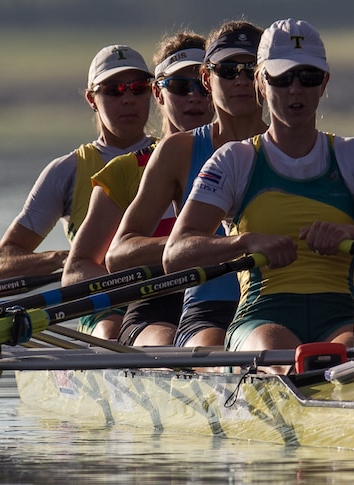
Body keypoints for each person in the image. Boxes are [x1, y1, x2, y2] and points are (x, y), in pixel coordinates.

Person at [162, 19, 354, 356]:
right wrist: (246, 242)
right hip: (262, 316)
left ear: (324, 82)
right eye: (282, 78)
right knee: (284, 356)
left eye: (308, 77)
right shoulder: (234, 160)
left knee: (353, 355)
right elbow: (175, 255)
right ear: (261, 81)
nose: (295, 90)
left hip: (343, 315)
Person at [106, 20, 267, 348]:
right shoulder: (179, 151)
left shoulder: (296, 144)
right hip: (210, 310)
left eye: (250, 70)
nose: (240, 80)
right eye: (228, 70)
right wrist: (208, 245)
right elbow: (119, 256)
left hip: (279, 306)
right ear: (209, 78)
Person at [0, 44, 155, 339]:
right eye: (114, 90)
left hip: (167, 294)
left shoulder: (174, 155)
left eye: (138, 88)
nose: (128, 98)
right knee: (112, 330)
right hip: (103, 305)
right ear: (92, 98)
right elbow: (0, 268)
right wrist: (64, 259)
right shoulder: (66, 171)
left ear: (152, 93)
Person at [62, 31, 215, 345]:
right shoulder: (126, 170)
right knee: (167, 343)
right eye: (180, 86)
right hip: (156, 302)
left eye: (201, 86)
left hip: (227, 301)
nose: (194, 97)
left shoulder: (244, 159)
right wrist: (185, 250)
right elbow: (76, 270)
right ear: (158, 94)